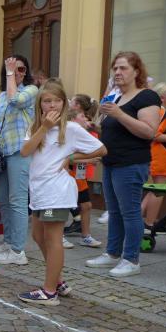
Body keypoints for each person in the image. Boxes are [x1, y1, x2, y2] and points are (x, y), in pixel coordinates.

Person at [18, 83, 106, 306]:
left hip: (56, 192)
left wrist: (72, 158)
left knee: (53, 238)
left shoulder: (72, 129)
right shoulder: (36, 127)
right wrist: (44, 127)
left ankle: (49, 292)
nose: (52, 105)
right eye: (47, 101)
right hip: (39, 191)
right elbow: (25, 151)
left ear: (64, 104)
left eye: (56, 100)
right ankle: (57, 281)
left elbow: (101, 149)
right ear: (40, 104)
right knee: (38, 236)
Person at [86, 52, 161, 277]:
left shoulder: (146, 96)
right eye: (115, 68)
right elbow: (112, 128)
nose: (118, 72)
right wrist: (96, 127)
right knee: (114, 212)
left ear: (136, 71)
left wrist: (118, 114)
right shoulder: (117, 97)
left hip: (131, 163)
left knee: (130, 212)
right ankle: (112, 253)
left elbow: (149, 131)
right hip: (110, 162)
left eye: (123, 68)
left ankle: (131, 259)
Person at [0, 55, 38, 266]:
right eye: (12, 69)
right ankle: (8, 242)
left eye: (21, 69)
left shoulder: (31, 90)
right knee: (3, 199)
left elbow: (15, 100)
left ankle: (18, 250)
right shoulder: (1, 95)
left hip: (20, 150)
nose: (17, 73)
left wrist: (10, 74)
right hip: (2, 152)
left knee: (17, 200)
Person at [63, 101, 103, 248]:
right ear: (73, 120)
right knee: (62, 207)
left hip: (79, 176)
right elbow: (65, 158)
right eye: (82, 116)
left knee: (86, 205)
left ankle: (86, 236)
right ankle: (58, 236)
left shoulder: (84, 134)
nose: (86, 119)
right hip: (66, 175)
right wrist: (88, 159)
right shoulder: (67, 134)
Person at [141, 82, 166, 230]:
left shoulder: (159, 112)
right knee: (159, 190)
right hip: (159, 157)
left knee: (155, 189)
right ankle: (149, 224)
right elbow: (155, 135)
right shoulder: (161, 112)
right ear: (162, 97)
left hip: (159, 157)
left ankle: (138, 221)